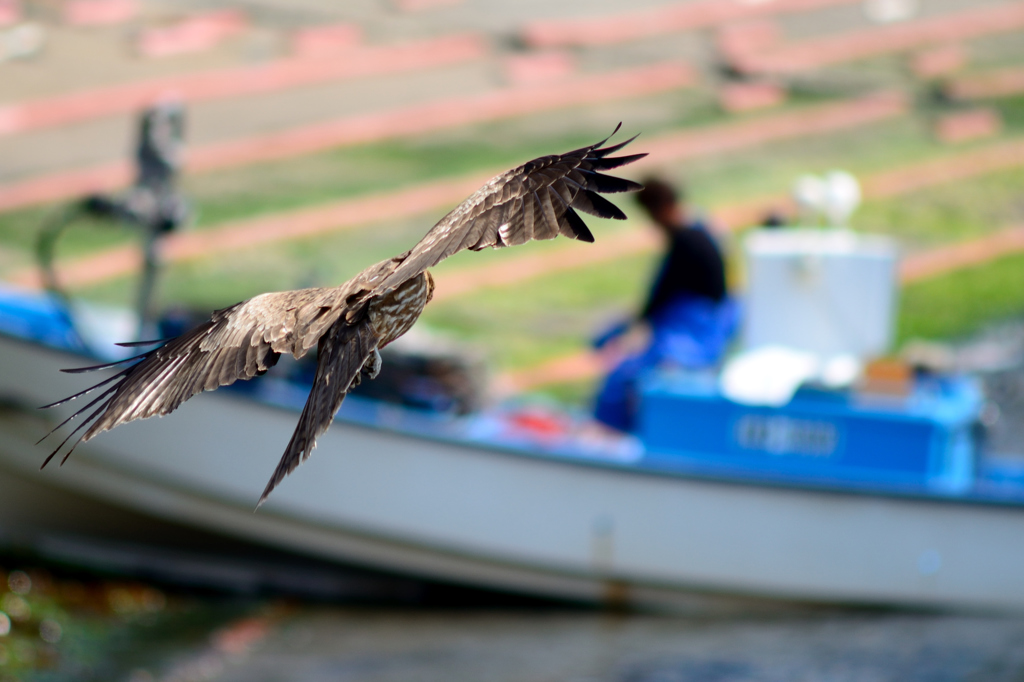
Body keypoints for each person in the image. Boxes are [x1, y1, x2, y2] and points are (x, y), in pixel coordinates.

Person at [592, 178, 738, 431]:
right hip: (704, 323)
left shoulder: (685, 240)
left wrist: (632, 328)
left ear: (657, 211)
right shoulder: (701, 226)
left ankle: (611, 432)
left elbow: (661, 295)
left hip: (693, 331)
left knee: (622, 376)